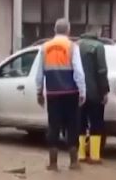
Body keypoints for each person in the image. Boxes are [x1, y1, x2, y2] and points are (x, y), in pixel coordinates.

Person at [34, 18, 86, 171]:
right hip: (71, 93)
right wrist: (82, 91)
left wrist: (39, 91)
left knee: (53, 126)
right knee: (72, 125)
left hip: (53, 93)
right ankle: (74, 162)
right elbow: (78, 71)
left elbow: (39, 73)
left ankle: (53, 163)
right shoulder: (72, 46)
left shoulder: (45, 47)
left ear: (54, 30)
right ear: (68, 31)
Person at [77, 29, 109, 164]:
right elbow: (102, 70)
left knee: (80, 123)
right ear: (96, 33)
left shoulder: (76, 45)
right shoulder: (98, 46)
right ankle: (94, 156)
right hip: (95, 93)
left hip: (78, 92)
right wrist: (105, 91)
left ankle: (81, 154)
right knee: (96, 123)